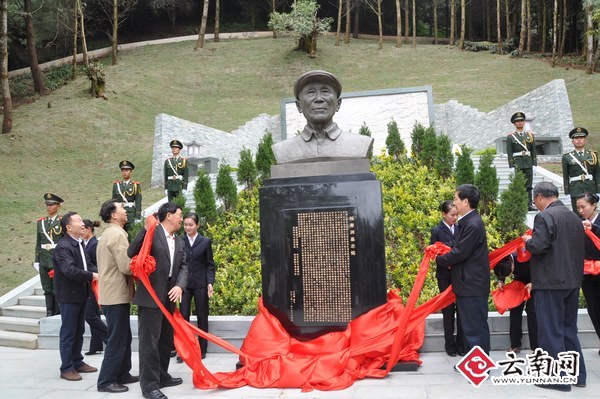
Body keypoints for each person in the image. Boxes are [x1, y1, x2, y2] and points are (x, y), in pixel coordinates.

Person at [522, 181, 587, 391]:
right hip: (572, 281)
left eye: (535, 200)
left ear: (540, 197)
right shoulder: (573, 217)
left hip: (550, 282)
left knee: (550, 330)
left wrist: (527, 240)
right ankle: (578, 375)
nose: (536, 204)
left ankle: (556, 378)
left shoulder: (544, 216)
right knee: (568, 330)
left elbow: (539, 245)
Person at [128, 202, 188, 399]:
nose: (182, 218)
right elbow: (132, 252)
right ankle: (149, 386)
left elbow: (184, 266)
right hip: (151, 297)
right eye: (179, 214)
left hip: (169, 297)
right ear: (169, 216)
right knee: (149, 343)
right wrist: (144, 231)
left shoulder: (178, 241)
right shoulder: (152, 233)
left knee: (165, 340)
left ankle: (162, 376)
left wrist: (180, 285)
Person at [271, 70, 373, 164]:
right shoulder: (283, 150)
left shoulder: (360, 145)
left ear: (338, 104)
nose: (319, 99)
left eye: (325, 91)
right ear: (299, 106)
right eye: (310, 92)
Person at [436, 184, 491, 355]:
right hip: (468, 284)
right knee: (469, 328)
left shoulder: (472, 224)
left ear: (465, 201)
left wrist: (440, 259)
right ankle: (473, 364)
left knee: (475, 328)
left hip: (471, 285)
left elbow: (460, 252)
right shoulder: (468, 222)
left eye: (456, 199)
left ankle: (480, 367)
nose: (454, 202)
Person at [96, 200, 138, 393]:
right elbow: (126, 266)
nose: (125, 210)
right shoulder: (117, 234)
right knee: (117, 339)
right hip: (116, 294)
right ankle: (106, 380)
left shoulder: (108, 233)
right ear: (114, 215)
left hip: (112, 293)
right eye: (122, 208)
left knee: (124, 336)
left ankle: (122, 373)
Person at [52, 211, 99, 381]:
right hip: (69, 295)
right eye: (78, 220)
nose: (82, 222)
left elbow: (88, 265)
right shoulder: (63, 246)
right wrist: (92, 276)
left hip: (80, 294)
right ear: (69, 227)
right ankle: (66, 368)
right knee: (69, 332)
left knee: (79, 330)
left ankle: (77, 362)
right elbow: (70, 270)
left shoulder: (79, 243)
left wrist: (100, 273)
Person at [176, 213, 215, 363]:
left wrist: (210, 282)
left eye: (190, 225)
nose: (187, 227)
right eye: (185, 225)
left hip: (200, 284)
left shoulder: (205, 242)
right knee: (183, 317)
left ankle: (202, 349)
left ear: (197, 225)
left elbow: (210, 265)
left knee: (202, 316)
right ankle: (183, 351)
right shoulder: (180, 241)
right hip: (184, 285)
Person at [430, 200, 464, 357]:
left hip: (460, 274)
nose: (455, 218)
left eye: (456, 215)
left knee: (462, 309)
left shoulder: (461, 227)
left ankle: (461, 344)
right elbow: (433, 253)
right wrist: (448, 259)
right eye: (452, 215)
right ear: (444, 214)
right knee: (448, 310)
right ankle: (449, 344)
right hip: (444, 275)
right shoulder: (437, 230)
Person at [493, 253, 537, 353]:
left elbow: (541, 267)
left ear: (512, 265)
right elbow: (501, 266)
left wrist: (534, 283)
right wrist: (501, 280)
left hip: (534, 281)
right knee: (515, 311)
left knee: (532, 312)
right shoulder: (505, 256)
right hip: (519, 282)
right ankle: (515, 344)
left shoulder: (524, 254)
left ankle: (536, 347)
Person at [576, 192, 600, 356]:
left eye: (583, 207)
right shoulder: (579, 224)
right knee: (593, 308)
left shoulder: (597, 223)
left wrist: (595, 229)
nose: (581, 210)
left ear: (593, 205)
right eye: (578, 207)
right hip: (587, 272)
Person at [81, 219, 108, 356]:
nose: (81, 232)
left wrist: (87, 271)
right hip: (88, 282)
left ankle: (109, 339)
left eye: (82, 229)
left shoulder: (94, 244)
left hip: (94, 282)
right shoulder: (85, 244)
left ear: (88, 229)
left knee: (90, 315)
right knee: (93, 314)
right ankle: (96, 345)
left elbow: (98, 265)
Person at [35, 193, 64, 316]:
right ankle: (49, 311)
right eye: (47, 205)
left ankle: (57, 312)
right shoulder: (41, 222)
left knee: (56, 287)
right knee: (46, 287)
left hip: (55, 257)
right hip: (44, 258)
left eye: (51, 205)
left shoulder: (62, 221)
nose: (49, 207)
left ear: (58, 206)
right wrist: (37, 260)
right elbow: (38, 242)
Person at [562, 127, 600, 214]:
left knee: (592, 214)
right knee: (578, 215)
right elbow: (565, 176)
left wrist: (598, 191)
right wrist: (567, 192)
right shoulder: (567, 157)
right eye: (576, 138)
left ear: (585, 140)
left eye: (581, 138)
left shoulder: (593, 155)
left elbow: (597, 174)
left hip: (590, 188)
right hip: (575, 189)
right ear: (572, 141)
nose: (579, 140)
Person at [506, 112, 537, 211]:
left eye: (521, 121)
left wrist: (535, 164)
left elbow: (533, 151)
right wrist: (511, 165)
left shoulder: (530, 136)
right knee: (520, 184)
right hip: (518, 163)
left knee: (529, 185)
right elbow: (509, 152)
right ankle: (520, 203)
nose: (519, 123)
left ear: (524, 122)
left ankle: (529, 204)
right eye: (517, 121)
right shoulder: (511, 137)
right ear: (514, 124)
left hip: (528, 162)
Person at [112, 160, 142, 233]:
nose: (124, 172)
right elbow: (113, 201)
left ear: (131, 172)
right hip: (119, 212)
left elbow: (138, 202)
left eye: (127, 170)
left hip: (130, 213)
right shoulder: (117, 185)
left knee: (130, 234)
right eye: (123, 170)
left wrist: (138, 217)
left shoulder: (135, 185)